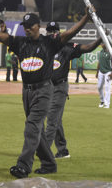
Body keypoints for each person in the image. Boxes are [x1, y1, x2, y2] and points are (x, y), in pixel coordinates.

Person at [0, 1, 91, 178]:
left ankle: (23, 166)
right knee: (37, 131)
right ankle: (49, 163)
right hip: (26, 92)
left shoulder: (50, 43)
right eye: (24, 26)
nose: (26, 28)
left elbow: (70, 33)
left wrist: (87, 18)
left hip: (43, 91)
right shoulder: (19, 43)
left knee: (31, 127)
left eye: (30, 26)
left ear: (38, 26)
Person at [44, 21, 103, 159]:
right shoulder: (43, 47)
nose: (52, 33)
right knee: (56, 119)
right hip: (46, 87)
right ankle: (63, 150)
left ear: (59, 32)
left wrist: (100, 38)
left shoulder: (66, 47)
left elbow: (87, 48)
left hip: (60, 87)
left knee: (51, 119)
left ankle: (44, 152)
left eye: (54, 31)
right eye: (49, 31)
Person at [96, 43, 112, 109]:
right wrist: (97, 72)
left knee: (107, 88)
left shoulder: (111, 53)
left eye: (102, 43)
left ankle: (107, 103)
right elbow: (99, 63)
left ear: (106, 44)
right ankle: (102, 101)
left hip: (108, 72)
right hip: (101, 72)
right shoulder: (101, 52)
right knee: (99, 87)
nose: (101, 44)